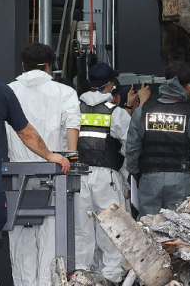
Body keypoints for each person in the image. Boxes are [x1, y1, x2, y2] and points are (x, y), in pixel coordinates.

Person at [5, 42, 80, 286]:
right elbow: (72, 127)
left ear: (22, 65)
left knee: (21, 243)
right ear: (49, 66)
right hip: (55, 173)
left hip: (16, 175)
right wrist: (71, 157)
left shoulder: (9, 90)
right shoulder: (64, 92)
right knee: (52, 241)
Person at [74, 63, 148, 283]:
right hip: (107, 178)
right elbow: (130, 148)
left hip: (77, 178)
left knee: (82, 233)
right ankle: (112, 280)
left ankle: (83, 278)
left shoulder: (74, 108)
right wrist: (126, 177)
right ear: (109, 85)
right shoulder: (115, 113)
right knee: (113, 232)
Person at [126, 61, 190, 217]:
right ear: (188, 87)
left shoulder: (142, 112)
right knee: (179, 229)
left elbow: (132, 148)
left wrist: (134, 173)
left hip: (149, 179)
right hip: (181, 180)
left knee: (148, 229)